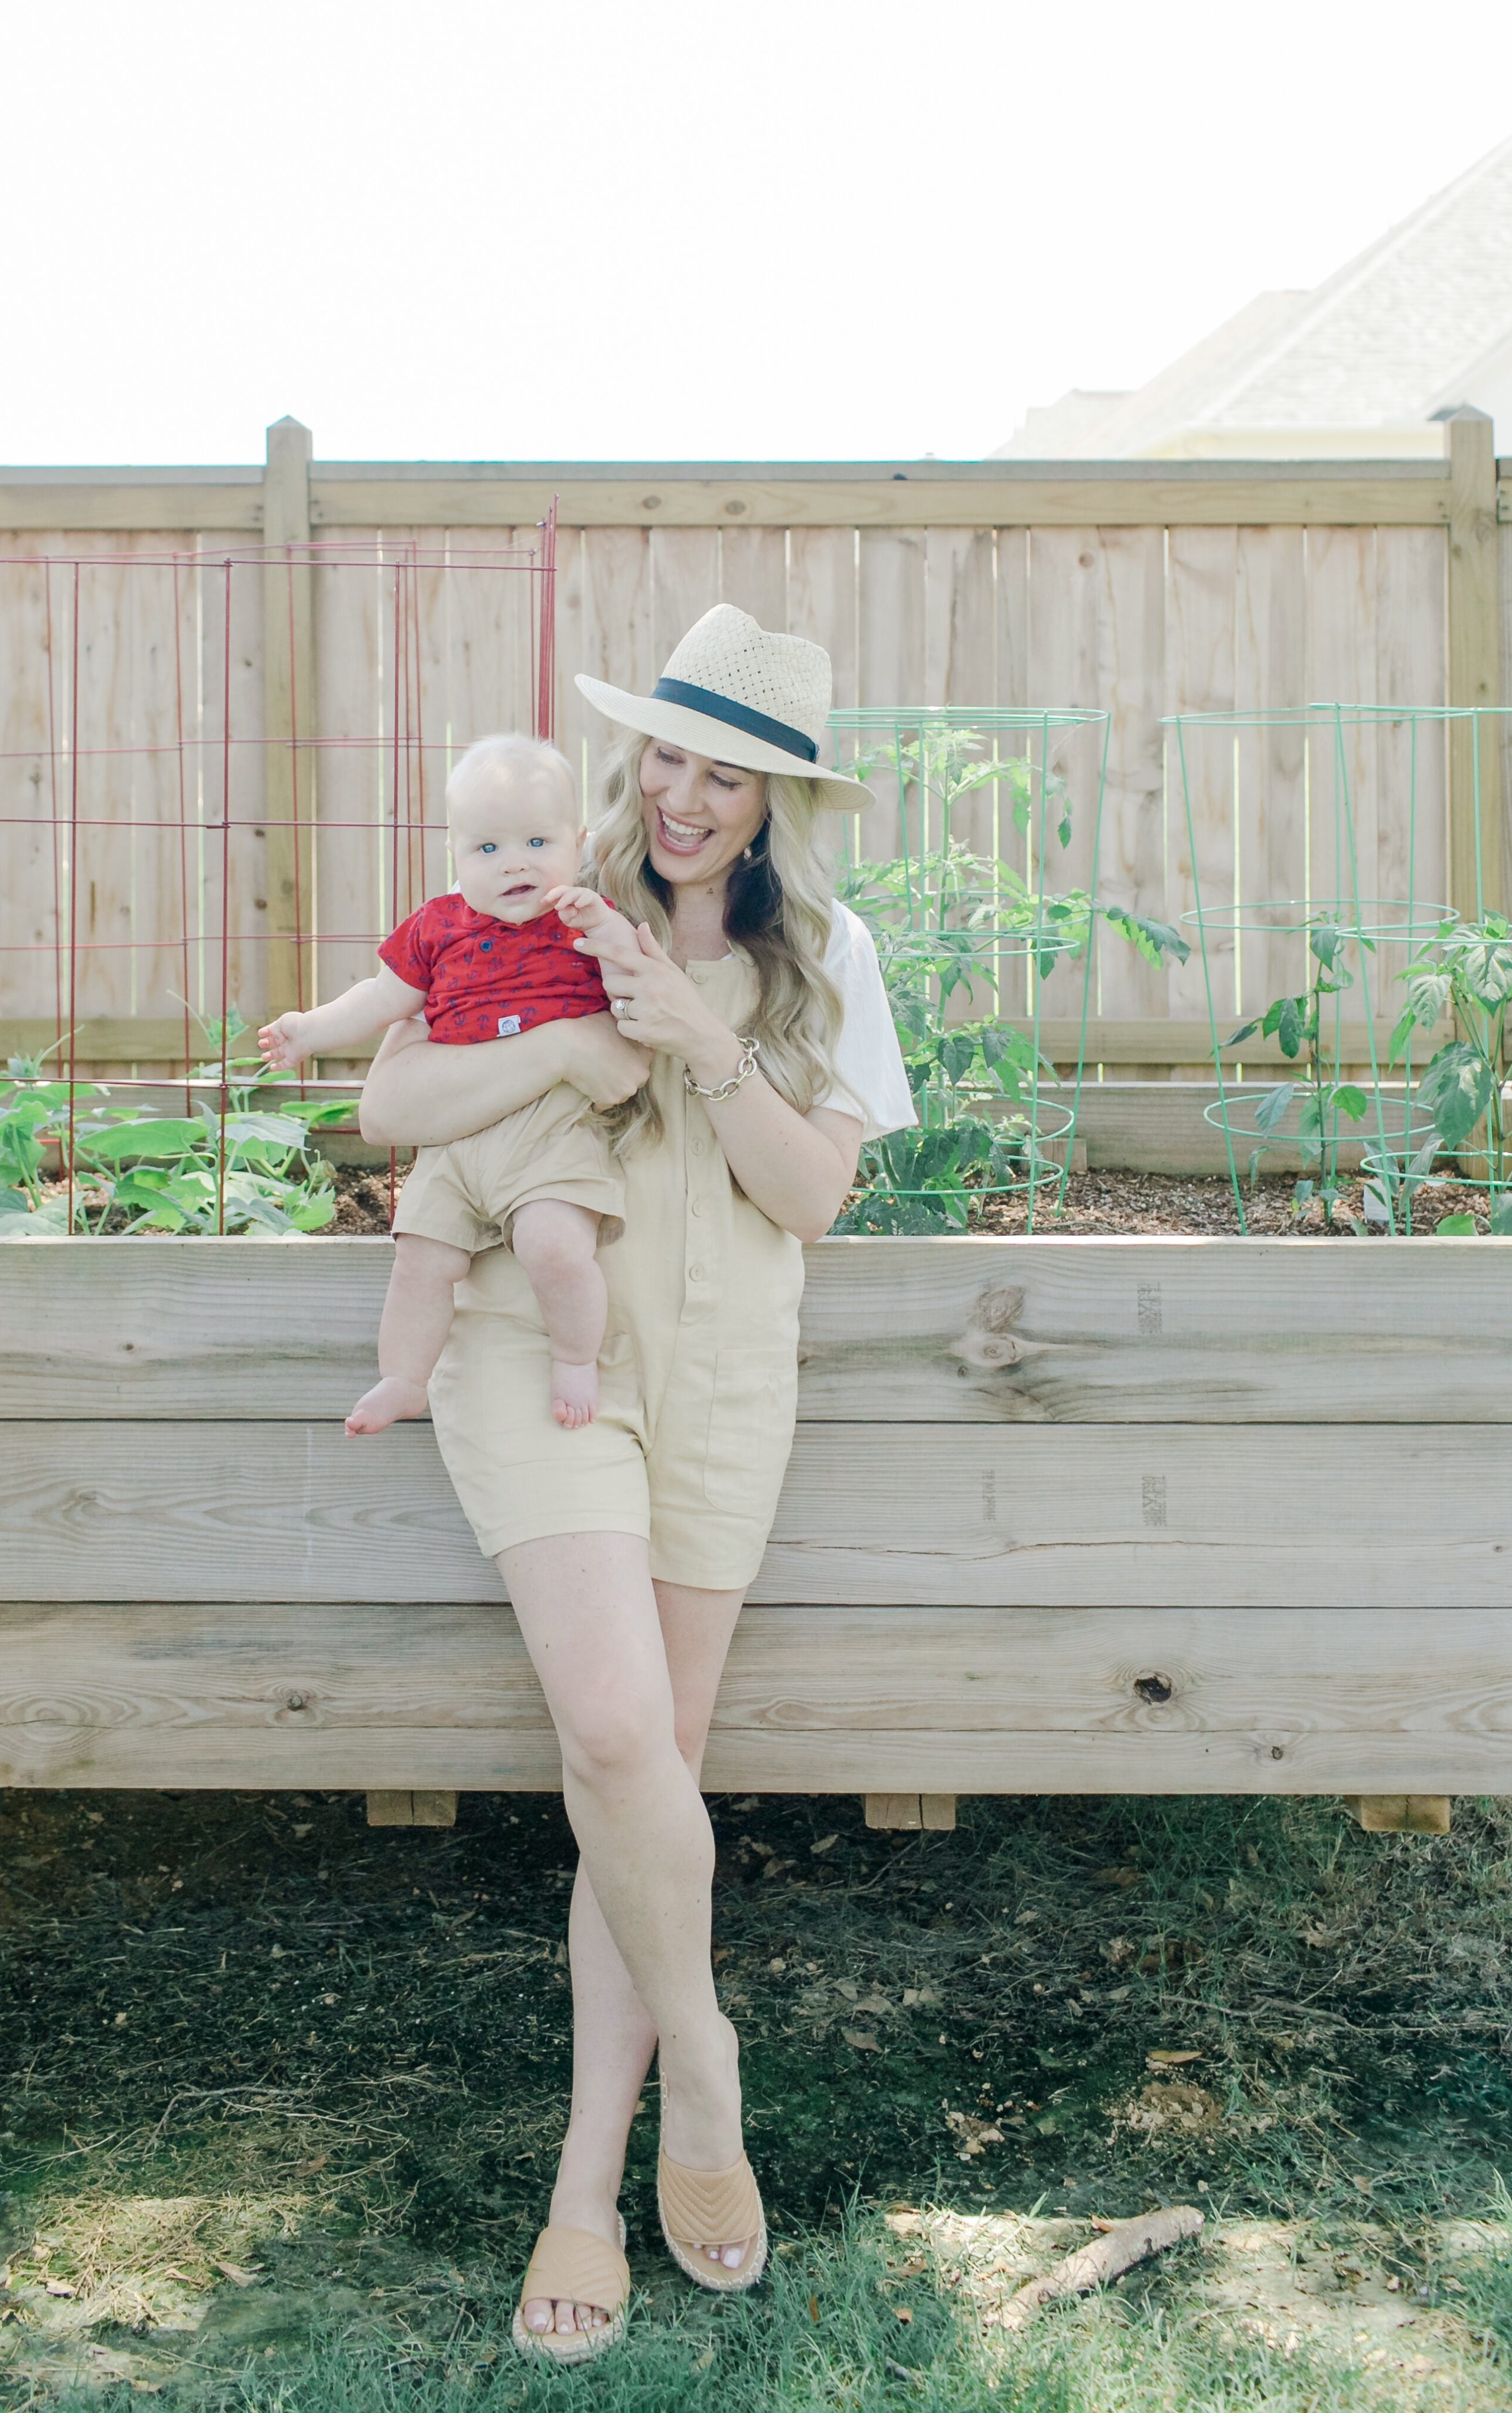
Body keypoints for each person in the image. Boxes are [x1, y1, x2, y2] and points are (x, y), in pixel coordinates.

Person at [357, 604, 914, 2363]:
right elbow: (390, 1094)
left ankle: (595, 2170)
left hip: (724, 1367)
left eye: (724, 769)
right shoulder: (535, 891)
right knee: (613, 1736)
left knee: (648, 1778)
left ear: (775, 797)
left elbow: (812, 1199)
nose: (680, 792)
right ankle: (714, 2063)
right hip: (543, 1345)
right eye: (666, 751)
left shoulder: (831, 954)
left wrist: (693, 1034)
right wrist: (562, 1049)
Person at [259, 735, 649, 1434]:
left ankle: (576, 1358)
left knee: (555, 1244)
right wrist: (308, 1031)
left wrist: (610, 933)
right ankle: (404, 1378)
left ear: (578, 843)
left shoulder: (585, 918)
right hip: (453, 1133)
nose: (516, 862)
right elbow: (381, 999)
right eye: (488, 849)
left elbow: (633, 990)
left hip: (551, 1127)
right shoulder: (437, 928)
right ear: (457, 854)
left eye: (537, 840)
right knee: (421, 1257)